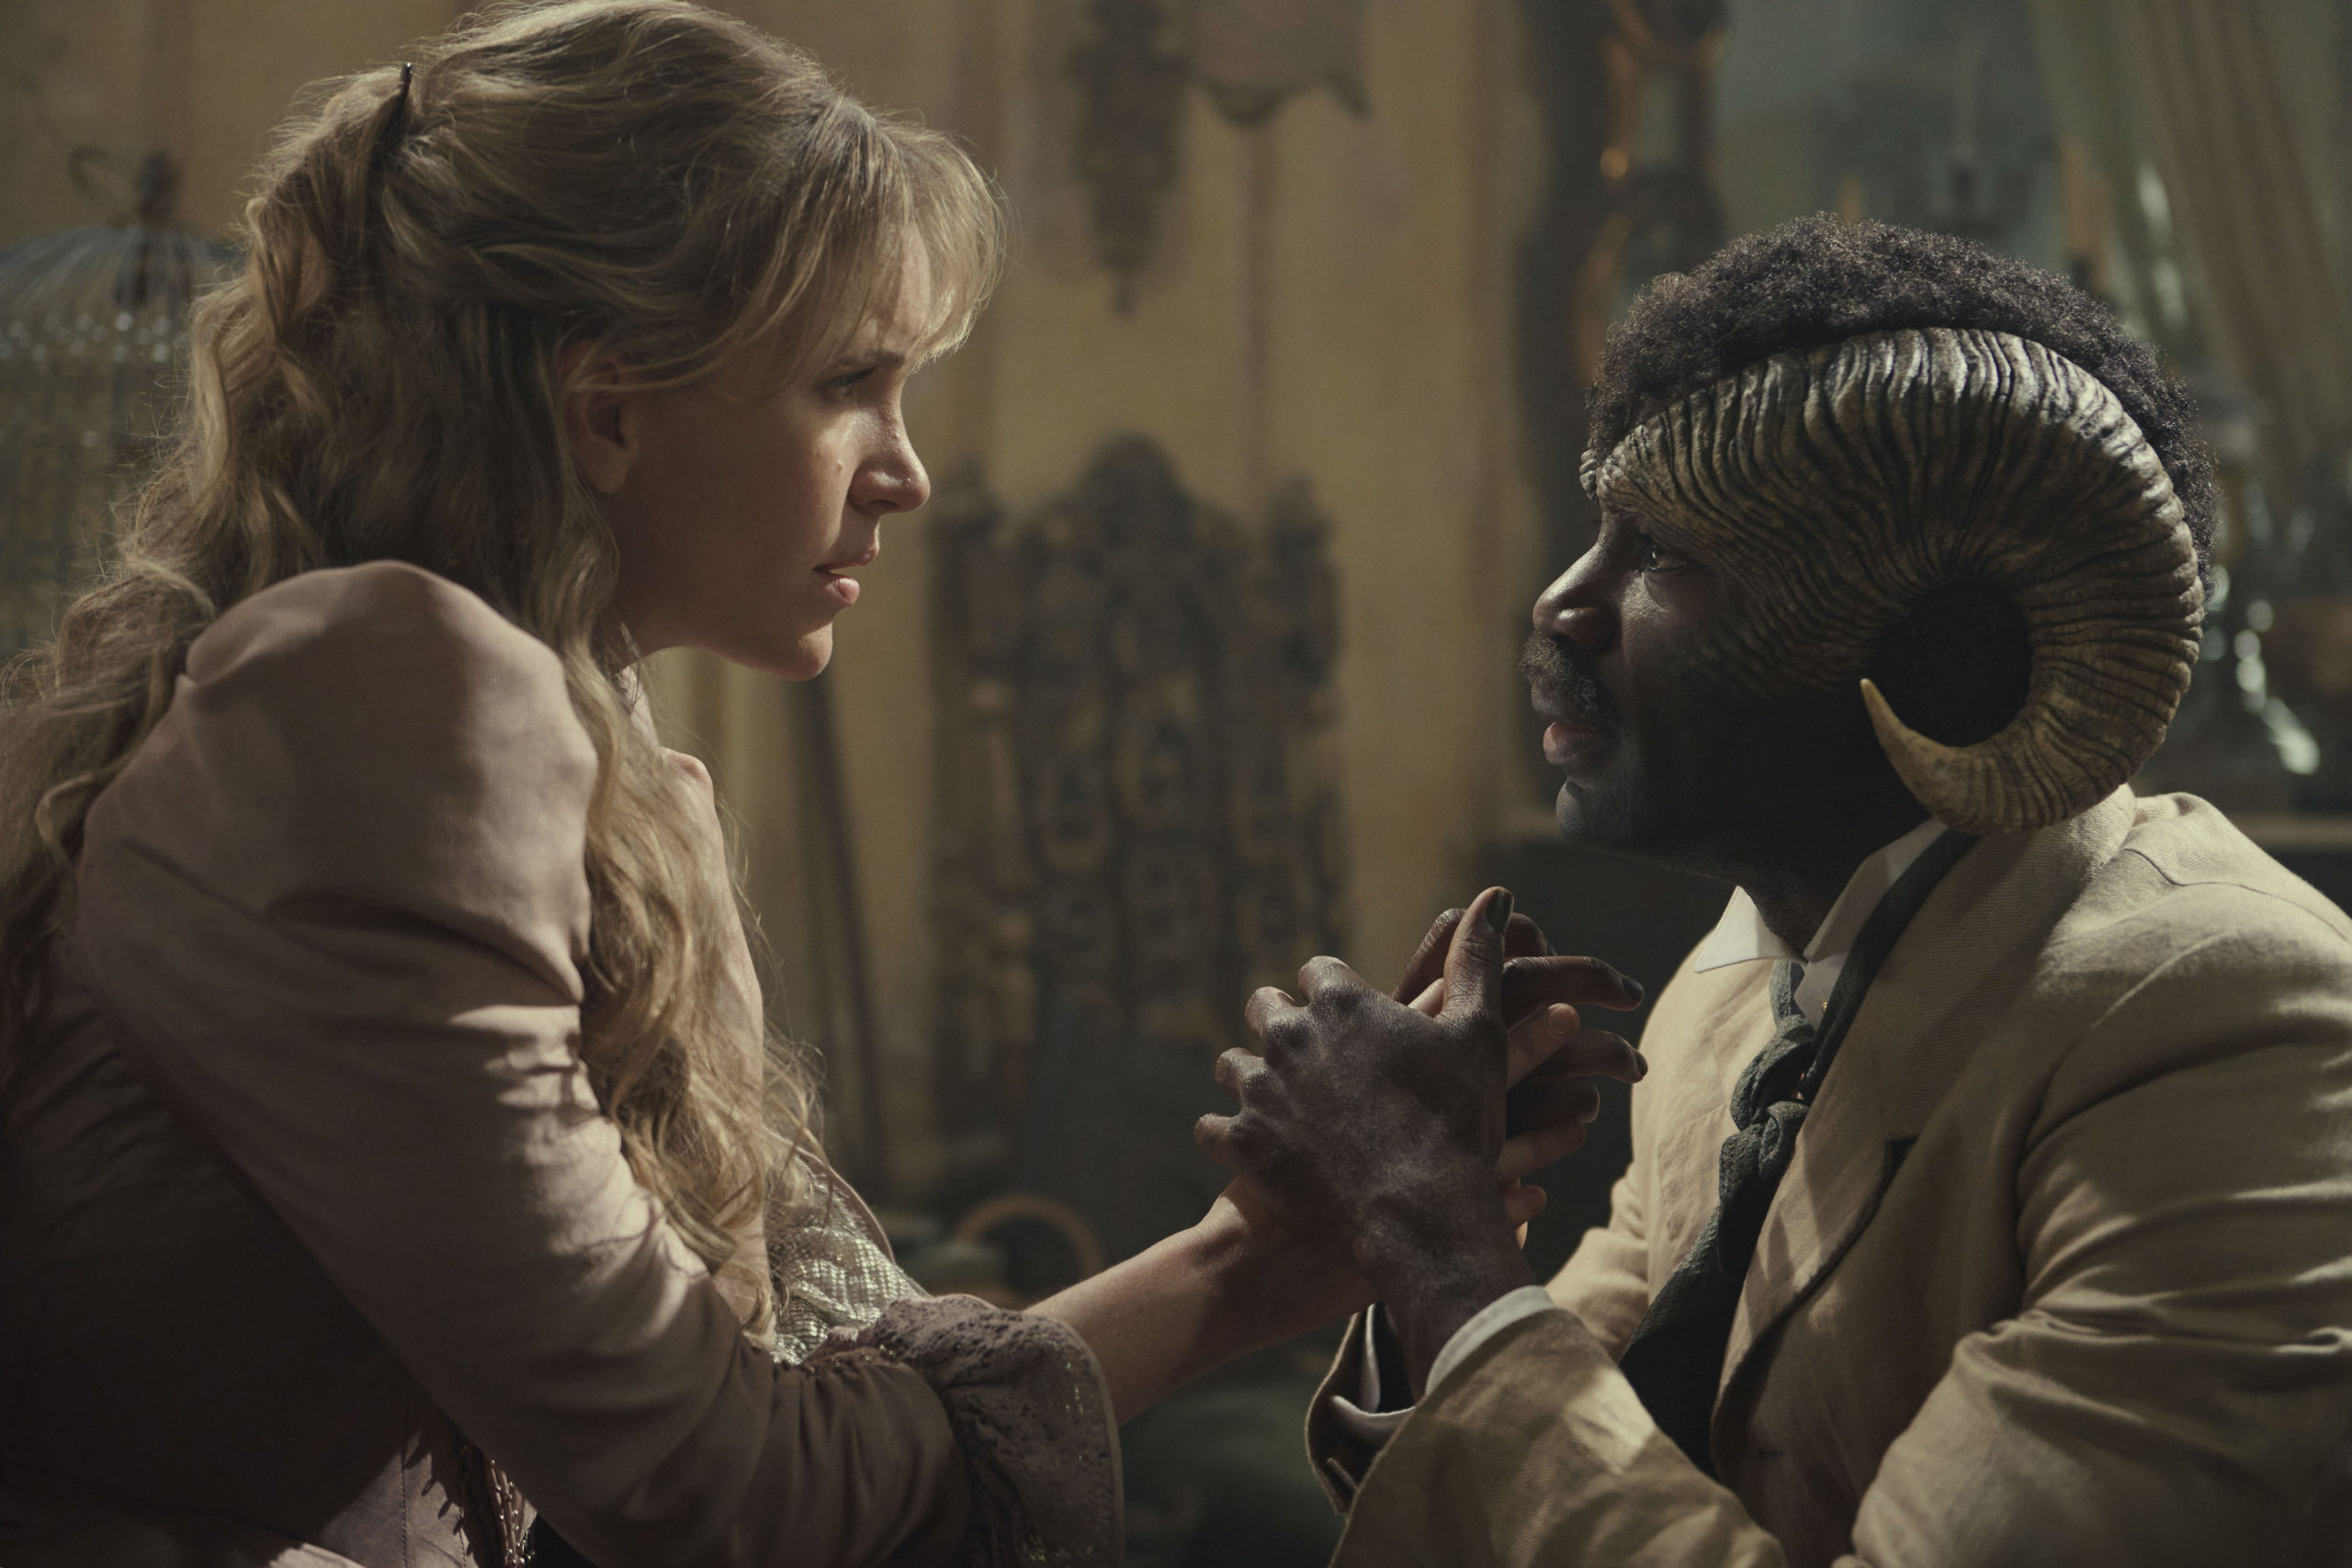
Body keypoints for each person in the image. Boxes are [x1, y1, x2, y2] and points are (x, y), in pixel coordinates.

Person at [0, 6, 1630, 1565]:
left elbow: (801, 1407)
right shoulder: (384, 686)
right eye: (849, 383)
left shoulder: (603, 771)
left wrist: (1271, 1246)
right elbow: (723, 1494)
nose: (905, 472)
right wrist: (1248, 1266)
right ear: (608, 408)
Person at [1199, 217, 2352, 1566]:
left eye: (1664, 554)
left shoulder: (2228, 1023)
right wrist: (1426, 1216)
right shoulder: (1738, 985)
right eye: (1601, 533)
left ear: (1942, 650)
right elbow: (1552, 1470)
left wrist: (1427, 1228)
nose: (1562, 605)